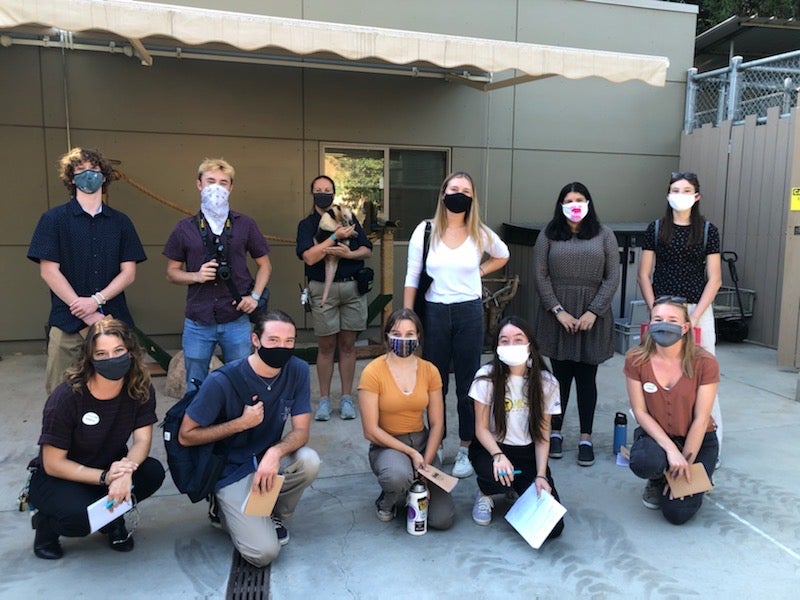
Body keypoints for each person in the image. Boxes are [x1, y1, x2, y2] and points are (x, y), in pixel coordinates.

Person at [178, 309, 320, 568]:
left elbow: (301, 430)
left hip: (266, 459)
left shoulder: (297, 369)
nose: (282, 347)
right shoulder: (222, 380)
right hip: (231, 468)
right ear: (255, 340)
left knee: (309, 460)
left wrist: (275, 453)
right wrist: (240, 424)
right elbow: (186, 435)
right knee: (263, 553)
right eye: (273, 340)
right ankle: (222, 507)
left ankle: (271, 512)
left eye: (289, 341)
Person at [27, 317, 165, 559]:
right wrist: (106, 477)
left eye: (118, 351)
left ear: (131, 351)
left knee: (152, 472)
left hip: (111, 465)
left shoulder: (139, 387)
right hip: (62, 476)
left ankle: (112, 518)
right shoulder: (67, 397)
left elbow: (142, 441)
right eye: (101, 354)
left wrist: (125, 472)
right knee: (78, 520)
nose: (111, 359)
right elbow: (53, 463)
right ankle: (46, 524)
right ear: (89, 358)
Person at [403, 171, 509, 478]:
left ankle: (466, 447)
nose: (459, 194)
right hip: (434, 312)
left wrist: (479, 272)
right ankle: (436, 444)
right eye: (453, 188)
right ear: (443, 193)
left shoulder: (480, 232)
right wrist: (408, 317)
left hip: (469, 313)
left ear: (472, 198)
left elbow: (502, 254)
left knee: (468, 383)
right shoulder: (425, 231)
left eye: (465, 190)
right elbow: (412, 275)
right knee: (435, 383)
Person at [28, 147, 147, 395]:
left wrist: (96, 301)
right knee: (61, 394)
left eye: (94, 169)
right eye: (80, 170)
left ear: (104, 176)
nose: (88, 174)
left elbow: (129, 272)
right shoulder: (53, 219)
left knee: (120, 391)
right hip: (67, 322)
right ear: (71, 179)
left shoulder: (121, 222)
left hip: (112, 319)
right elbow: (49, 271)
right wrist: (83, 308)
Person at [164, 158, 272, 392]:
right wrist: (196, 276)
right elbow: (171, 273)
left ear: (231, 188)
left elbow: (264, 265)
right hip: (198, 319)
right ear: (199, 184)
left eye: (223, 183)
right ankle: (198, 416)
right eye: (210, 181)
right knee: (195, 384)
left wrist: (254, 297)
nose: (216, 187)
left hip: (236, 317)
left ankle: (237, 417)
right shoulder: (184, 228)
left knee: (241, 381)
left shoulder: (245, 224)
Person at [532, 182, 620, 467]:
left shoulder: (605, 235)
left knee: (586, 377)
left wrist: (594, 311)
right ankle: (555, 432)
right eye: (568, 200)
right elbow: (540, 275)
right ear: (561, 204)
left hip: (593, 314)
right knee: (559, 378)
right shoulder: (548, 234)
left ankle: (586, 438)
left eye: (579, 199)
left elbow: (612, 277)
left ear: (588, 202)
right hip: (557, 313)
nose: (574, 204)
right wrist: (558, 311)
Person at [637, 171, 723, 456]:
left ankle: (709, 445)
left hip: (697, 309)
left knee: (704, 373)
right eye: (675, 190)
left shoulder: (708, 231)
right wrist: (655, 312)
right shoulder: (656, 229)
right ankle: (658, 442)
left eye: (686, 190)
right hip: (662, 310)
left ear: (697, 196)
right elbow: (644, 274)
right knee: (656, 371)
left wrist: (695, 317)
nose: (680, 195)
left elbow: (715, 279)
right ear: (667, 195)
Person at [468, 316, 564, 540]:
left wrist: (541, 475)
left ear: (530, 344)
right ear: (496, 347)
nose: (511, 345)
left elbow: (543, 434)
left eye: (518, 339)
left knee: (553, 528)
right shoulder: (485, 378)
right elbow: (481, 428)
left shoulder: (547, 382)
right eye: (505, 340)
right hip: (493, 449)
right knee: (494, 474)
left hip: (527, 453)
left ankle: (515, 486)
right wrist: (498, 455)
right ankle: (485, 492)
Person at [624, 296, 719, 524]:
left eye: (672, 320)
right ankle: (658, 478)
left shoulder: (705, 362)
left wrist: (685, 461)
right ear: (650, 323)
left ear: (685, 327)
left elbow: (701, 418)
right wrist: (671, 451)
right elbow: (640, 412)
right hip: (656, 439)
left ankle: (695, 478)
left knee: (677, 513)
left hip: (697, 441)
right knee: (644, 461)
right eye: (658, 319)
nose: (664, 324)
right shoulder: (636, 359)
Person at [358, 308, 455, 529]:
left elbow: (437, 423)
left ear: (418, 336)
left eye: (410, 334)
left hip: (422, 442)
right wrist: (411, 454)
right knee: (397, 476)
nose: (403, 339)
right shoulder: (373, 372)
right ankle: (388, 499)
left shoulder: (429, 370)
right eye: (396, 334)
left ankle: (411, 486)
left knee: (442, 520)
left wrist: (425, 464)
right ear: (387, 336)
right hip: (388, 443)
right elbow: (370, 430)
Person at [296, 175, 373, 421]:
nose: (323, 193)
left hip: (352, 288)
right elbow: (309, 257)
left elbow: (367, 249)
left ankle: (347, 398)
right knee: (326, 347)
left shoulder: (348, 216)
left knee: (348, 346)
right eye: (318, 189)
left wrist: (348, 254)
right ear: (312, 193)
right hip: (322, 289)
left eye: (327, 189)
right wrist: (333, 238)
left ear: (334, 192)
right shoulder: (307, 225)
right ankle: (324, 400)